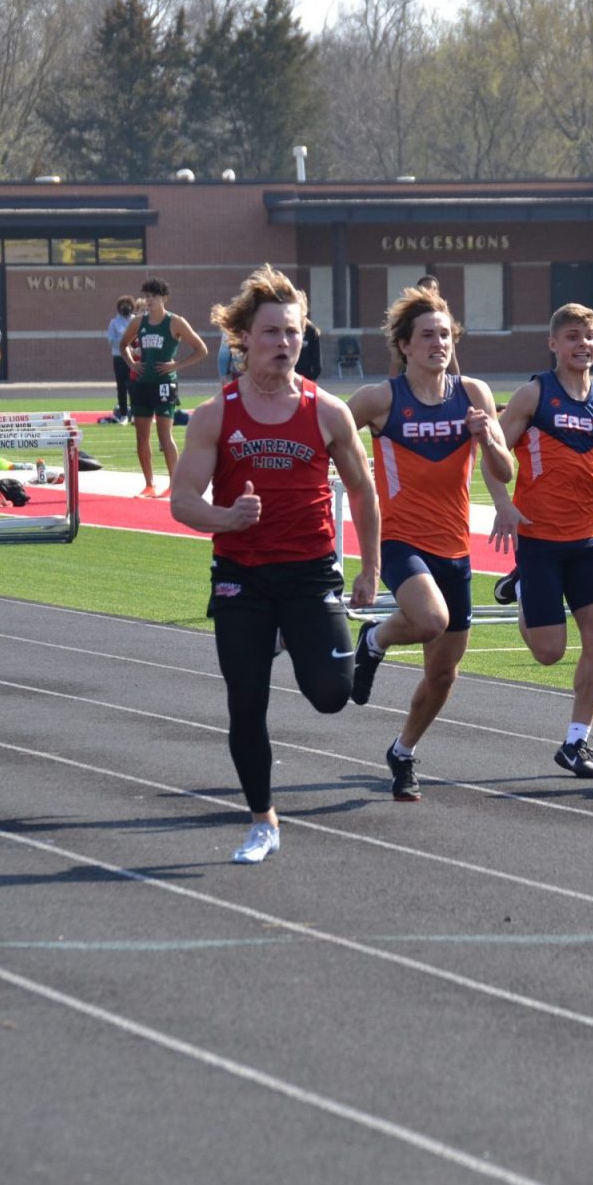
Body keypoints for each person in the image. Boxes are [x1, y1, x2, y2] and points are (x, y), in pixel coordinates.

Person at [169, 265, 380, 863]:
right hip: (242, 575)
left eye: (293, 332)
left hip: (311, 570)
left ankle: (307, 636)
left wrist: (370, 570)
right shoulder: (216, 414)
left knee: (332, 693)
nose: (284, 343)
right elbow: (183, 500)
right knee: (245, 700)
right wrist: (226, 518)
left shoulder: (328, 411)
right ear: (244, 338)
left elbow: (363, 492)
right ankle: (262, 818)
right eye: (271, 332)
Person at [344, 286, 517, 801]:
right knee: (430, 620)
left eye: (445, 334)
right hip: (401, 540)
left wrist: (487, 437)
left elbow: (505, 469)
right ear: (404, 345)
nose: (438, 343)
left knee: (442, 677)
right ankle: (373, 640)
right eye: (427, 335)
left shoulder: (475, 394)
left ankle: (402, 752)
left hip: (454, 548)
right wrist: (348, 463)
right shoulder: (381, 399)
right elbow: (327, 429)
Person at [486, 305, 593, 778]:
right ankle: (522, 585)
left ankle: (576, 742)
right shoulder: (533, 395)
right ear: (553, 344)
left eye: (590, 336)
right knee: (549, 653)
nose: (582, 344)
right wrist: (503, 503)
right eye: (572, 336)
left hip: (589, 540)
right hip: (539, 539)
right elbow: (493, 455)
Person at [121, 277, 209, 498]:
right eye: (147, 296)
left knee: (164, 436)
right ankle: (149, 485)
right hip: (141, 384)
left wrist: (176, 365)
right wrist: (132, 363)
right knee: (141, 437)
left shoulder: (175, 322)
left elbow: (201, 349)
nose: (149, 300)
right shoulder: (138, 322)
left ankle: (174, 484)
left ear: (164, 298)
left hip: (164, 384)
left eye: (153, 296)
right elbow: (123, 345)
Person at [107, 296, 136, 422]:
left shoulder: (136, 320)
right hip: (119, 358)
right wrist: (124, 341)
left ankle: (135, 414)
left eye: (128, 304)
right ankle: (124, 414)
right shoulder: (114, 322)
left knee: (134, 386)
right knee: (121, 386)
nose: (126, 307)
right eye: (123, 305)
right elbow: (111, 340)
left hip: (134, 358)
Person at [296, 316, 323, 381]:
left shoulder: (311, 331)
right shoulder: (288, 330)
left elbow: (316, 356)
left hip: (306, 375)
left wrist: (313, 377)